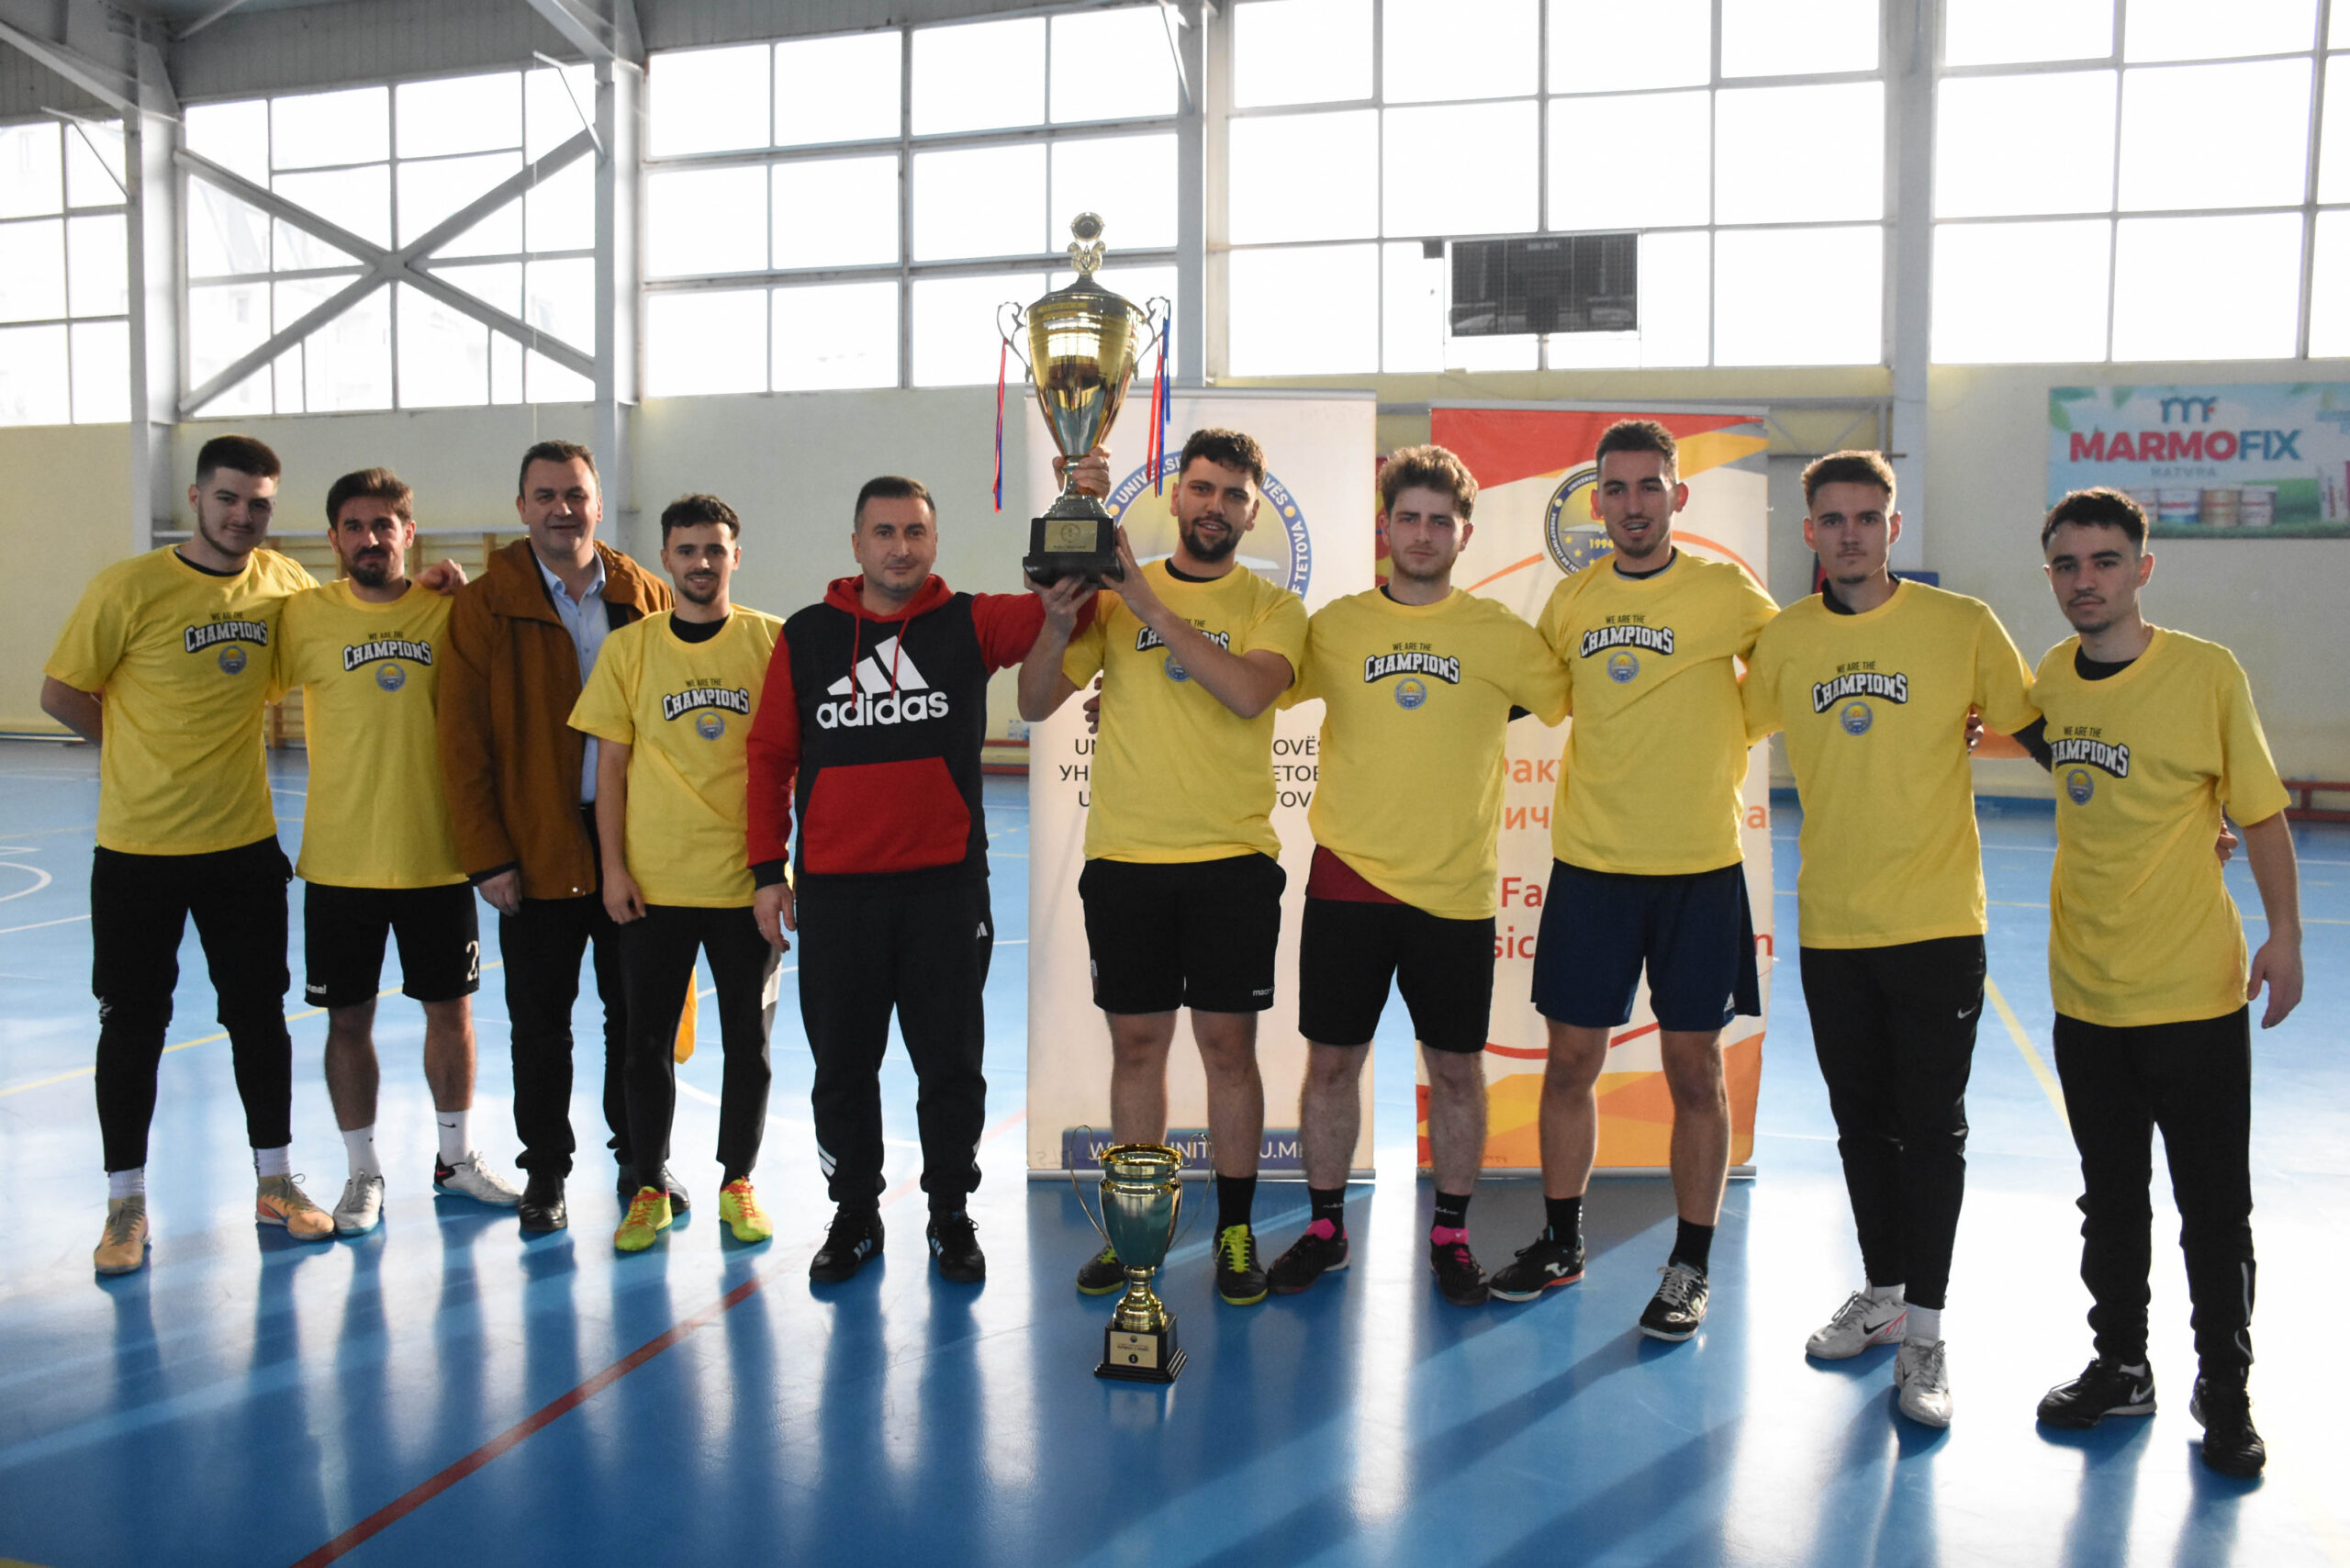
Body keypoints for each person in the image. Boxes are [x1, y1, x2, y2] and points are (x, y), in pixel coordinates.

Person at [1740, 451, 2038, 1425]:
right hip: (1833, 925)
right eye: (1833, 519)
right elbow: (1722, 728)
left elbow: (2045, 731)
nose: (1851, 533)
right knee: (1861, 1123)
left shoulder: (1961, 625)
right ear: (1810, 533)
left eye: (1867, 517)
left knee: (1932, 1129)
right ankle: (1883, 1292)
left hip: (1936, 923)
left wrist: (2176, 808)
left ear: (1893, 527)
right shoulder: (1788, 639)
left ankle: (1928, 1335)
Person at [748, 472, 1092, 1283]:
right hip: (837, 895)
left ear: (934, 541)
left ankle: (949, 1213)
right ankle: (854, 1215)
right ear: (857, 544)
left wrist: (1083, 503)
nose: (899, 548)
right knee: (842, 1070)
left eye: (914, 532)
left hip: (945, 894)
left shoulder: (970, 621)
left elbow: (1075, 606)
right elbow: (769, 758)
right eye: (884, 532)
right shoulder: (807, 635)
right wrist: (767, 870)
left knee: (951, 1068)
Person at [2018, 487, 2299, 1479]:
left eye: (2104, 561)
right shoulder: (2053, 677)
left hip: (2192, 997)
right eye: (2066, 564)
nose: (2084, 580)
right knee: (2110, 1202)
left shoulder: (2206, 673)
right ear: (2050, 575)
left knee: (2213, 1209)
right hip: (2086, 996)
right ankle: (2122, 1365)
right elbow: (2058, 752)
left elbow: (2258, 814)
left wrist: (2285, 935)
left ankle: (2226, 1388)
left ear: (2142, 567)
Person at [1265, 445, 1568, 1307]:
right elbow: (1249, 690)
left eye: (1441, 521)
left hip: (1454, 890)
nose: (1424, 534)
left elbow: (1585, 695)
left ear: (1464, 534)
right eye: (1410, 518)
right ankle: (1326, 1229)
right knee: (1332, 1065)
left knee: (1457, 1070)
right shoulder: (1337, 627)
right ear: (1384, 527)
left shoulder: (1500, 634)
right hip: (1347, 880)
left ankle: (1451, 1236)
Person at [1494, 419, 1777, 1340]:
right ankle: (1562, 1241)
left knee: (1694, 1070)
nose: (1631, 504)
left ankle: (1690, 1265)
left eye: (1649, 485)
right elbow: (1521, 692)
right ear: (1596, 502)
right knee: (1570, 1063)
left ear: (1677, 496)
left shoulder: (1725, 591)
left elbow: (1803, 667)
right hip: (1592, 869)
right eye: (1614, 489)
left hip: (1699, 870)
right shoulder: (1571, 598)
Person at [1021, 428, 1309, 1307]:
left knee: (1229, 1051)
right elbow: (1034, 701)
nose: (1215, 506)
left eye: (1233, 495)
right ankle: (1136, 1228)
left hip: (1231, 861)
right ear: (1176, 497)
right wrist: (1059, 622)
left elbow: (1247, 692)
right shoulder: (1106, 604)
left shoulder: (1272, 606)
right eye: (1203, 488)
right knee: (1137, 1048)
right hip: (1127, 860)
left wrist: (1145, 602)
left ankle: (1233, 1233)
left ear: (1252, 513)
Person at [43, 434, 336, 1271]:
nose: (243, 516)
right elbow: (61, 692)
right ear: (197, 497)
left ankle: (275, 1182)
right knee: (134, 1024)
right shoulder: (128, 587)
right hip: (137, 852)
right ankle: (125, 1204)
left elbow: (351, 622)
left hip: (242, 847)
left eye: (259, 504)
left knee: (258, 1017)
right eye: (229, 499)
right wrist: (132, 747)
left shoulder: (284, 583)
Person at [438, 441, 674, 1233]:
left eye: (575, 494)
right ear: (522, 508)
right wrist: (488, 856)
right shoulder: (484, 606)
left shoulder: (644, 594)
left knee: (635, 1021)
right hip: (533, 847)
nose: (562, 509)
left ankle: (641, 1161)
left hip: (632, 847)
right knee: (541, 1027)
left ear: (598, 503)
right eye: (545, 495)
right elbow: (461, 742)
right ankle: (545, 1171)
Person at [277, 468, 520, 1235]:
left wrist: (460, 587)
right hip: (340, 862)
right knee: (346, 1023)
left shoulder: (448, 610)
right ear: (333, 538)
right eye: (354, 526)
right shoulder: (303, 616)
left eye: (384, 525)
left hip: (436, 858)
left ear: (409, 534)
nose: (370, 539)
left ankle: (455, 1159)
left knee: (452, 1014)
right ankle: (362, 1172)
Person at [570, 495, 783, 1252]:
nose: (701, 562)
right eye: (687, 550)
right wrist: (613, 869)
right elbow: (611, 769)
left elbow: (795, 759)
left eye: (714, 549)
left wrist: (780, 872)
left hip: (746, 888)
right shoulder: (631, 649)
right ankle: (649, 1184)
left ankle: (737, 1182)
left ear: (735, 556)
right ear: (665, 558)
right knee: (644, 1045)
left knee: (748, 1046)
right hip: (654, 887)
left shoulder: (771, 641)